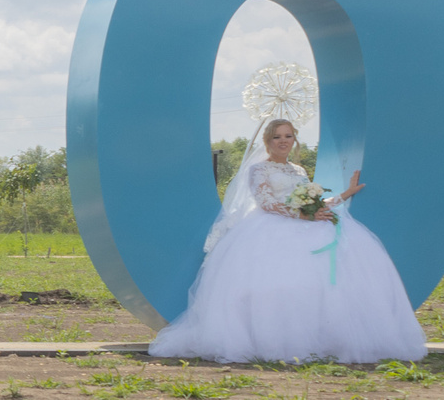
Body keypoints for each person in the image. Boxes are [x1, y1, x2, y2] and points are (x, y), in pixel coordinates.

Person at [149, 118, 427, 363]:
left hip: (304, 225)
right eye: (277, 137)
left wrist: (344, 194)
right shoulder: (258, 170)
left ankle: (319, 338)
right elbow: (267, 203)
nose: (283, 141)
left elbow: (313, 203)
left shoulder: (298, 171)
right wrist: (304, 217)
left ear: (295, 140)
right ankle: (273, 339)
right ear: (267, 141)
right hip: (269, 229)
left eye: (288, 136)